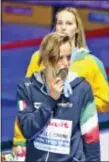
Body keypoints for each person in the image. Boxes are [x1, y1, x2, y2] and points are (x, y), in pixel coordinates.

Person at [13, 7, 109, 155]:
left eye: (69, 23)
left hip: (72, 143)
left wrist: (76, 106)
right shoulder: (38, 57)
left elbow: (106, 101)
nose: (63, 27)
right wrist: (19, 140)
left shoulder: (91, 63)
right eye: (59, 23)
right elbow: (27, 103)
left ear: (77, 28)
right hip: (41, 139)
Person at [16, 32, 100, 161]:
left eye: (69, 57)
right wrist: (50, 100)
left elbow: (91, 137)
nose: (66, 63)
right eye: (60, 58)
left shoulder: (82, 89)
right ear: (46, 59)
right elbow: (27, 130)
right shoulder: (27, 88)